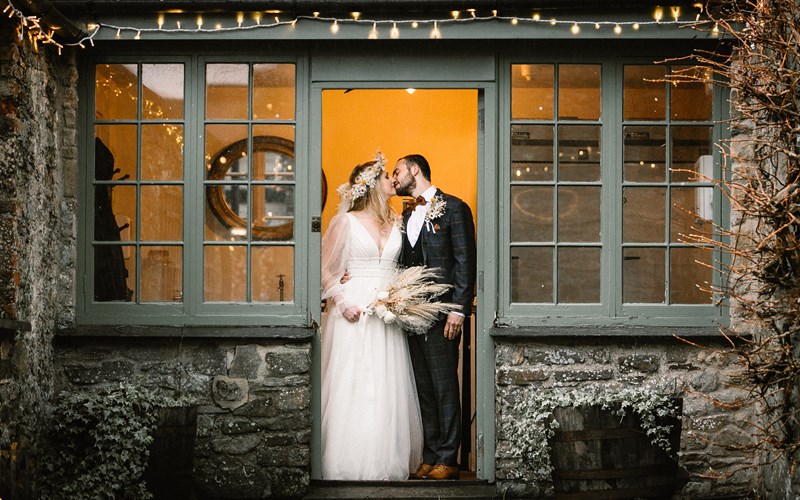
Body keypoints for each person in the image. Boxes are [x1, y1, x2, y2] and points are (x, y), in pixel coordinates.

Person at [320, 153, 423, 480]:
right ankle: (345, 462)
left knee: (384, 386)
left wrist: (401, 297)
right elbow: (324, 271)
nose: (393, 179)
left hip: (388, 311)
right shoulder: (345, 222)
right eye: (385, 176)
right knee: (353, 383)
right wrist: (340, 299)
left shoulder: (397, 222)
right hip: (354, 309)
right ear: (370, 184)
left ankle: (382, 461)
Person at [392, 154, 477, 481]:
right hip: (410, 314)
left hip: (443, 314)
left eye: (397, 171)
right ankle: (430, 455)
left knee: (444, 387)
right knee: (423, 388)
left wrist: (458, 308)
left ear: (415, 169)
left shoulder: (454, 208)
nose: (394, 178)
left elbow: (464, 262)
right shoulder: (405, 212)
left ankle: (448, 458)